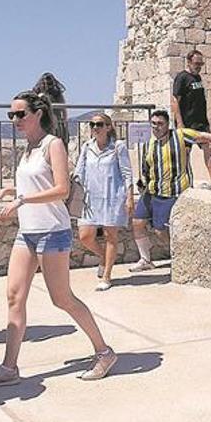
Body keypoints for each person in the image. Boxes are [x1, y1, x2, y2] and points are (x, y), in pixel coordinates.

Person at [0, 91, 116, 387]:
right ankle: (9, 367)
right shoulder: (28, 148)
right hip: (27, 233)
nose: (15, 120)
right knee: (14, 297)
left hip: (52, 232)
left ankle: (104, 352)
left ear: (38, 113)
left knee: (62, 299)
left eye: (20, 114)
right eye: (11, 115)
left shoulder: (52, 144)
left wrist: (22, 200)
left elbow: (61, 190)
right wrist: (12, 194)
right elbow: (32, 187)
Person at [128, 110, 211, 272]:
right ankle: (145, 259)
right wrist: (142, 183)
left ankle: (182, 255)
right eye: (153, 123)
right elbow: (147, 167)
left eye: (160, 124)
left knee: (160, 231)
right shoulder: (148, 144)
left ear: (167, 125)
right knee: (137, 223)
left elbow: (204, 136)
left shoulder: (181, 135)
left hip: (172, 192)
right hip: (151, 191)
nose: (156, 127)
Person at [74, 113, 133, 291]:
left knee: (110, 236)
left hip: (112, 196)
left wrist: (130, 197)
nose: (95, 128)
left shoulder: (118, 147)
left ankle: (107, 275)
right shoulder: (86, 147)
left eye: (99, 124)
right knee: (85, 236)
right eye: (92, 124)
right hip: (90, 198)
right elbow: (79, 170)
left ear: (108, 127)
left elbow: (127, 173)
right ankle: (103, 257)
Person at [171, 50, 211, 181]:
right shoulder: (182, 77)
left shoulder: (198, 78)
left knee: (209, 147)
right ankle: (186, 181)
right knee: (185, 154)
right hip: (187, 123)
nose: (199, 66)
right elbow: (175, 101)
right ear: (189, 62)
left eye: (201, 64)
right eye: (196, 63)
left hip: (201, 122)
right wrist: (179, 123)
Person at [32, 72, 69, 146]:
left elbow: (63, 108)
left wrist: (64, 123)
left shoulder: (57, 94)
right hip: (43, 122)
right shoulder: (37, 94)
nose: (47, 85)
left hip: (56, 123)